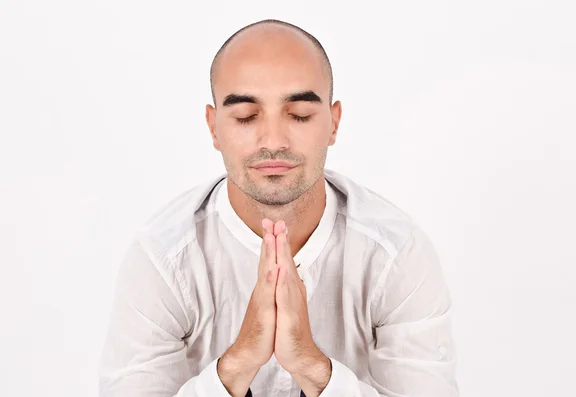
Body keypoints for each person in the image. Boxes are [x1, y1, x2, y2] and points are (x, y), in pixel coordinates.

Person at [98, 18, 459, 397]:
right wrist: (237, 364)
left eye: (300, 114)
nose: (273, 140)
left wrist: (311, 366)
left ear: (333, 124)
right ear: (214, 127)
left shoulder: (396, 255)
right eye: (246, 116)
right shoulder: (162, 259)